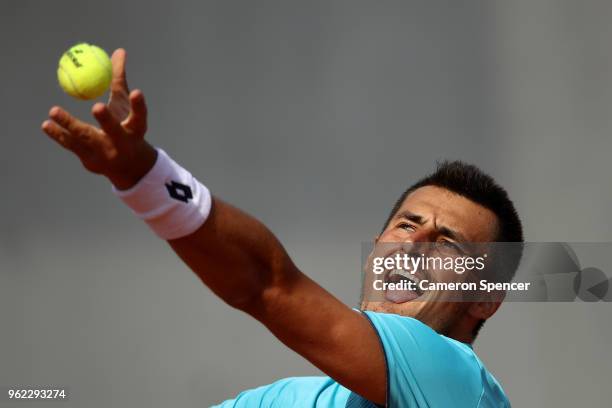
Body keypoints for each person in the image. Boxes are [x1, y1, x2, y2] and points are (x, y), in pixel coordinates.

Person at [42, 49, 523, 407]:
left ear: (485, 297)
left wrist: (146, 178)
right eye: (405, 225)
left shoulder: (457, 383)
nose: (413, 246)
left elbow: (266, 285)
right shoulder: (290, 400)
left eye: (448, 244)